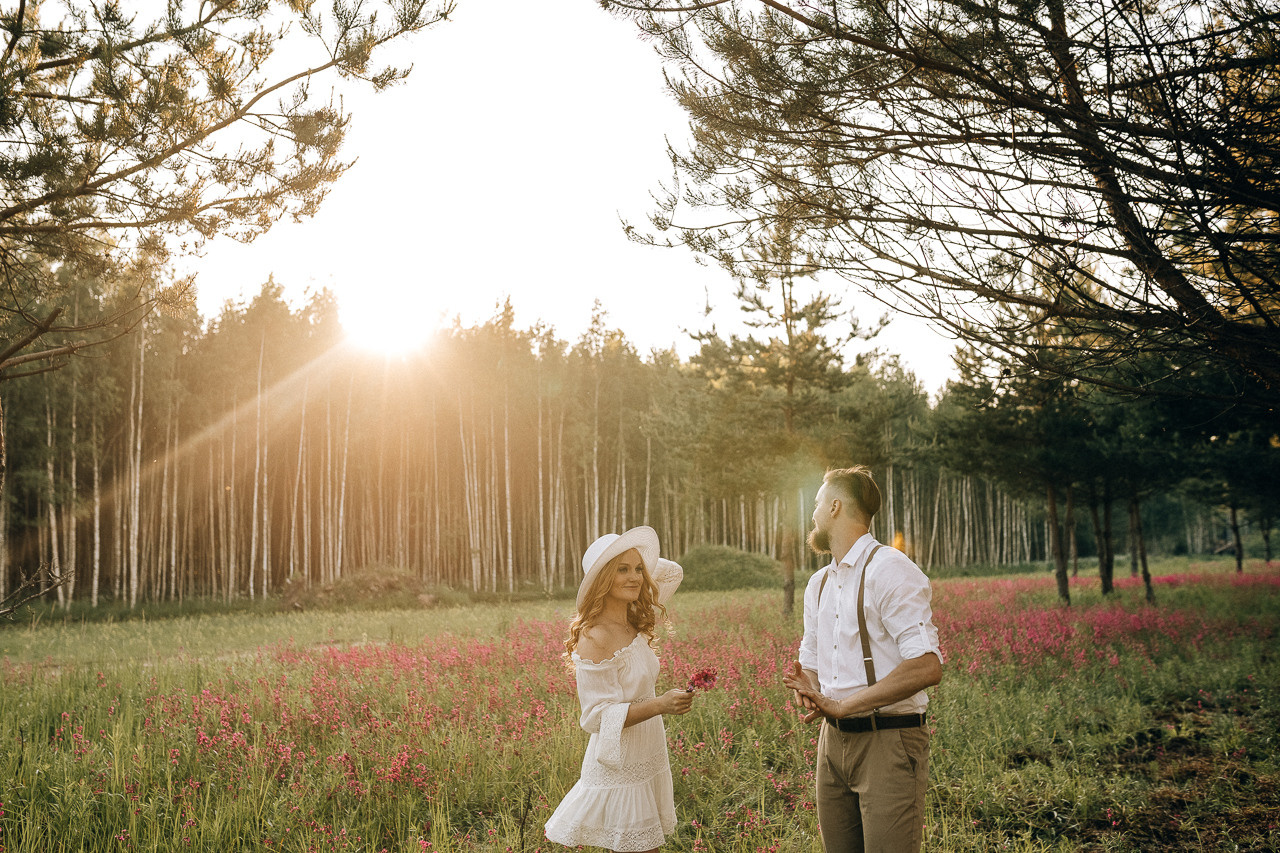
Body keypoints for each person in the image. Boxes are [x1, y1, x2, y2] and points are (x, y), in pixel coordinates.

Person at [783, 466, 943, 853]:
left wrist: (841, 705)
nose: (814, 513)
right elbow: (813, 664)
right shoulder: (818, 583)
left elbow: (927, 666)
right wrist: (807, 689)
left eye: (818, 503)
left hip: (888, 740)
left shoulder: (891, 570)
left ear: (835, 506)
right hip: (832, 744)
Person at [545, 526, 692, 853]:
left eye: (639, 569)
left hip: (647, 753)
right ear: (603, 580)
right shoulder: (595, 636)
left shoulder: (637, 620)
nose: (636, 577)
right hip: (621, 766)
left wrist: (632, 555)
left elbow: (672, 573)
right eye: (621, 570)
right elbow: (595, 718)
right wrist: (661, 705)